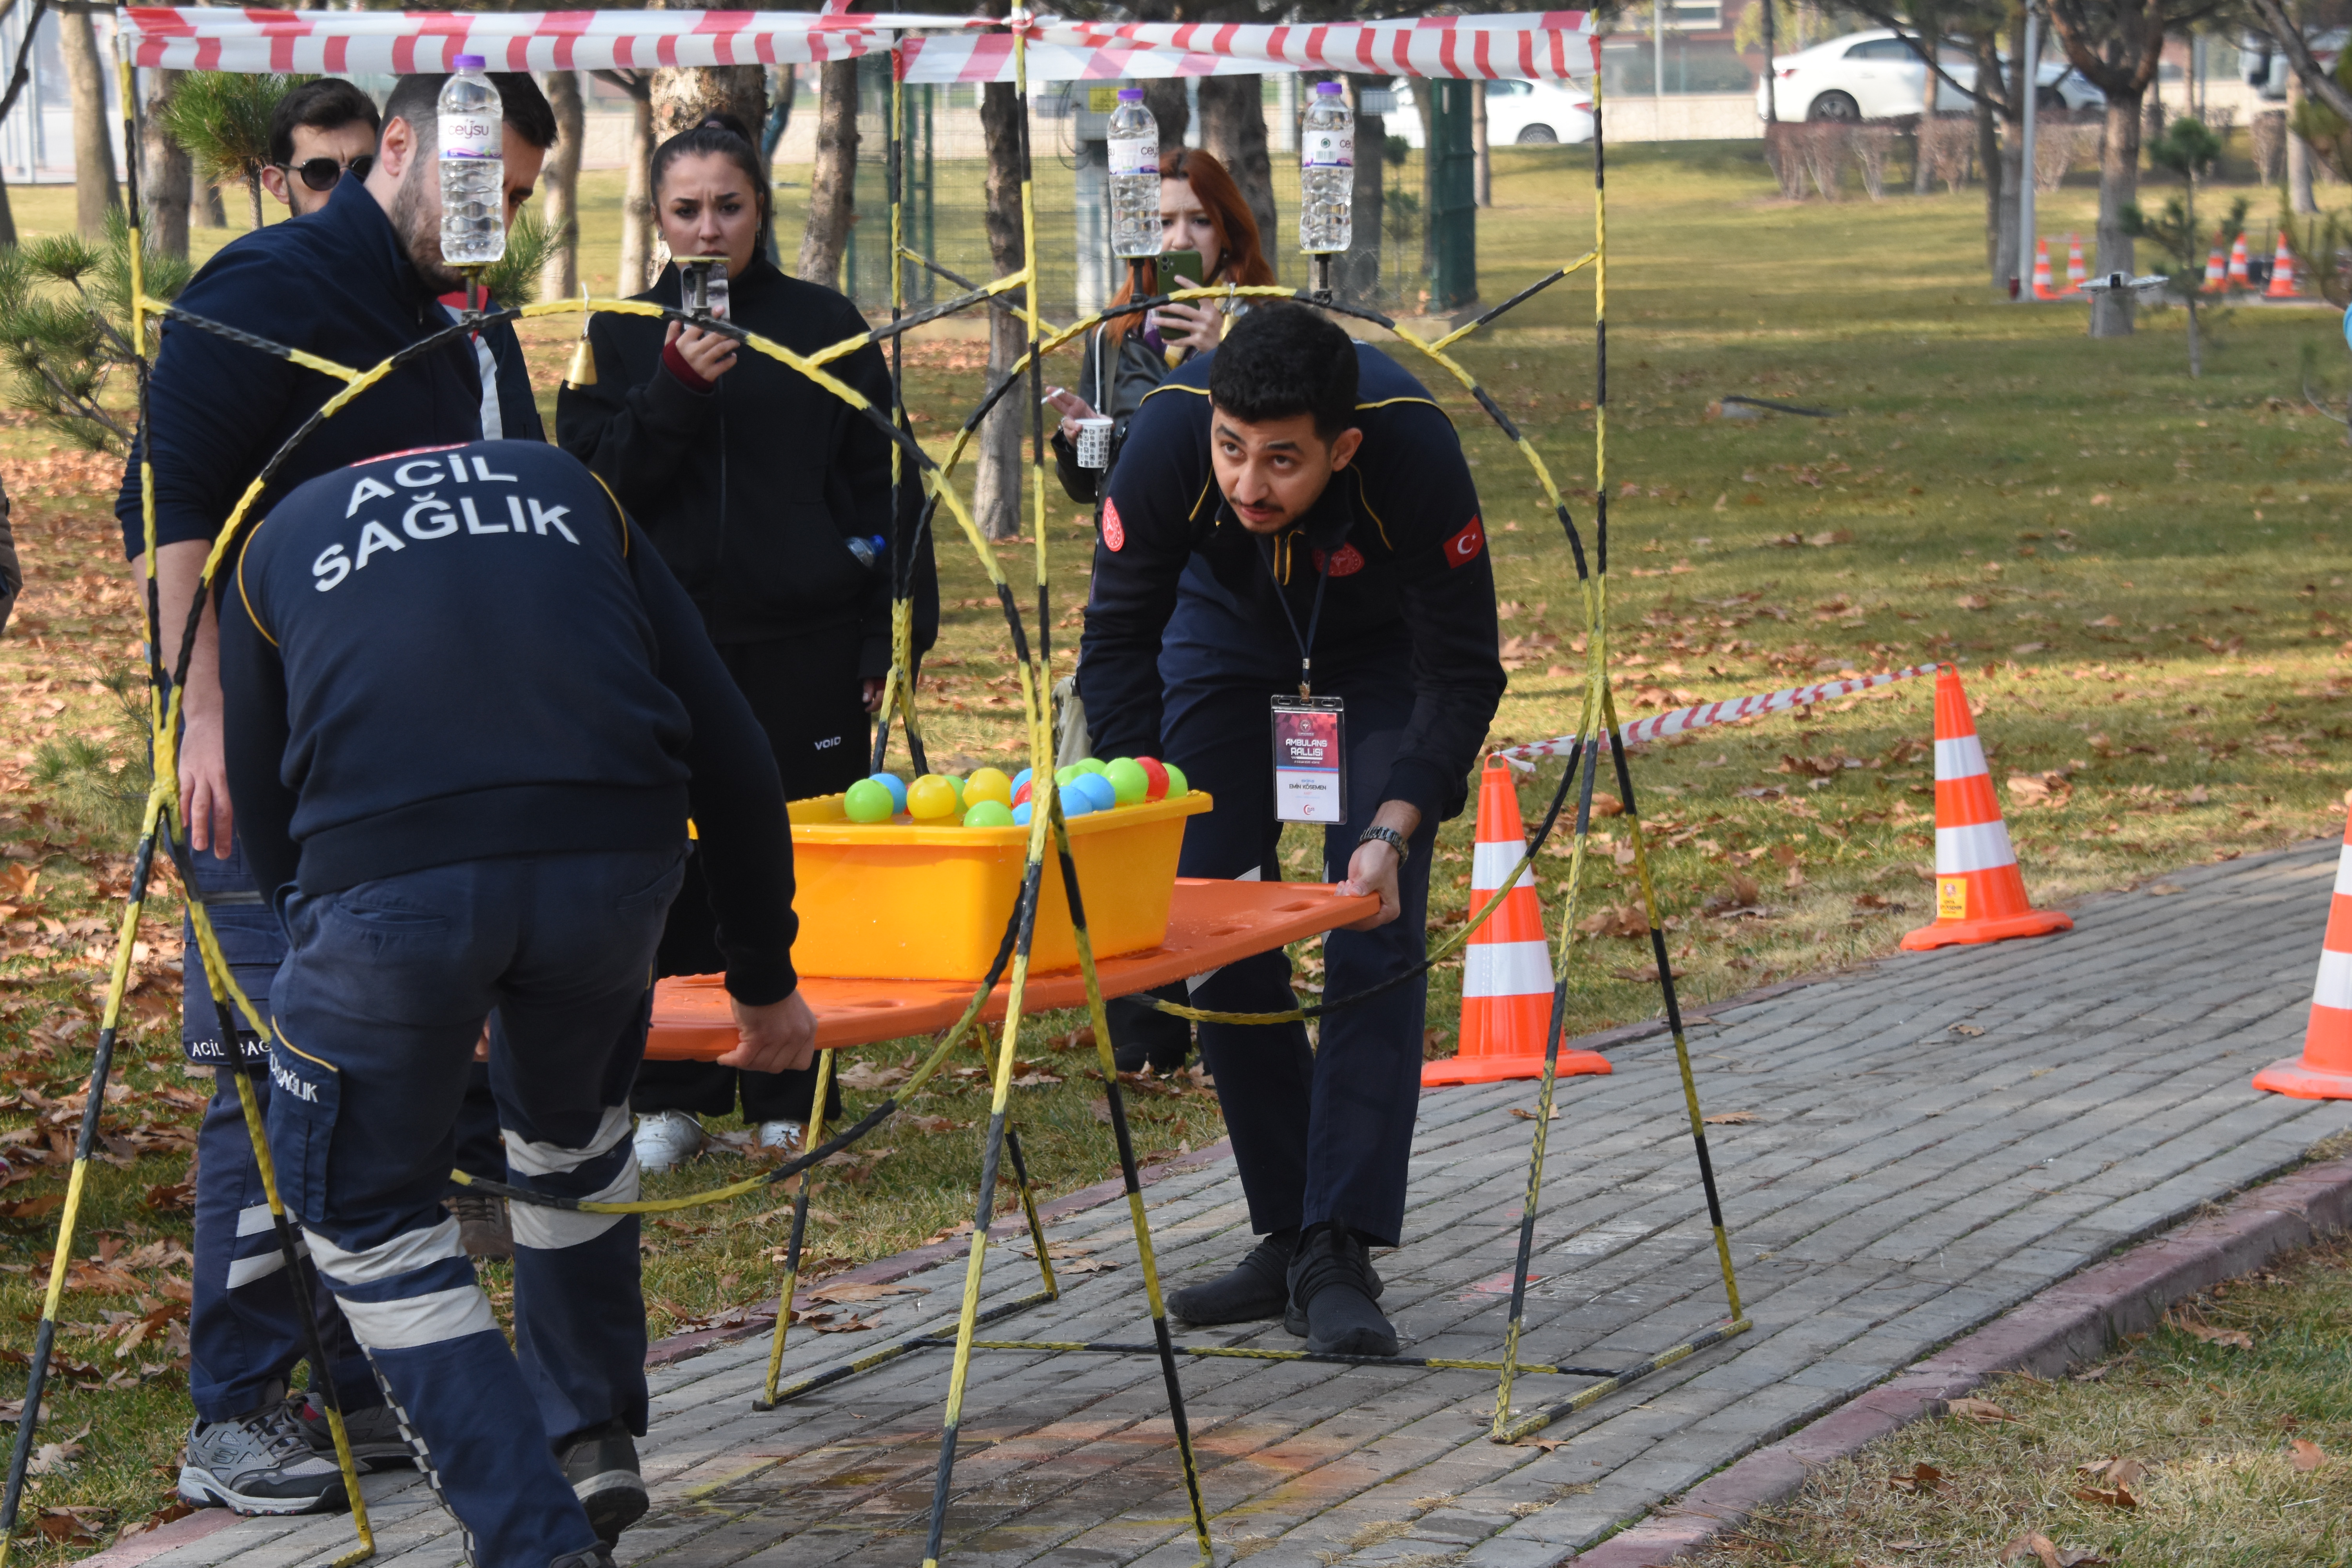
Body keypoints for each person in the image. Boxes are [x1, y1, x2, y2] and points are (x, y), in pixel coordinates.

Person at [218, 437, 815, 1568]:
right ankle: (588, 1434)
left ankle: (535, 1542)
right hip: (613, 861)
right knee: (572, 1141)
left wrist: (363, 967)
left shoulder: (274, 539)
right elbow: (732, 743)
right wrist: (763, 979)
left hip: (391, 888)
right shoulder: (567, 486)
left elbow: (262, 795)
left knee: (367, 1217)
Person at [114, 70, 555, 1515]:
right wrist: (204, 713)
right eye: (479, 188)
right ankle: (235, 1402)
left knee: (394, 1071)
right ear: (407, 147)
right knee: (264, 1078)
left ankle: (361, 1375)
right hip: (265, 763)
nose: (494, 224)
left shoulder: (473, 325)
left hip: (414, 772)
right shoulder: (271, 283)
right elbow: (175, 502)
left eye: (522, 203)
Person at [1074, 304, 1505, 1358]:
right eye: (1233, 451)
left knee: (1371, 919)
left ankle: (1341, 1238)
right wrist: (1147, 804)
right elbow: (1117, 642)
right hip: (1221, 650)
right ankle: (1289, 1230)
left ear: (1342, 448)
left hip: (1372, 663)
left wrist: (1398, 822)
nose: (1248, 486)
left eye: (1282, 461)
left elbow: (1463, 669)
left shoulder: (1411, 447)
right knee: (1212, 929)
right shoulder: (1173, 434)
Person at [557, 113, 927, 1174]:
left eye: (729, 206)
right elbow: (588, 489)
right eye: (687, 210)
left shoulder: (822, 322)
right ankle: (671, 1087)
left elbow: (884, 488)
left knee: (793, 864)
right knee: (665, 869)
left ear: (762, 207)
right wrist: (672, 391)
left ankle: (788, 1087)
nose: (709, 230)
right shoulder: (620, 330)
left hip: (804, 644)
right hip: (660, 646)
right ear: (657, 216)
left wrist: (882, 635)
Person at [1045, 147, 1274, 1074]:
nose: (1180, 241)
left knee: (1221, 817)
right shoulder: (1118, 338)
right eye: (1166, 222)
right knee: (1130, 792)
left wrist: (1225, 349)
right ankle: (1149, 1025)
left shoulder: (1265, 327)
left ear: (1229, 235)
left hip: (1235, 610)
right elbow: (1095, 487)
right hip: (1145, 599)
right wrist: (1076, 447)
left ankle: (1238, 995)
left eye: (1199, 222)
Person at [257, 78, 381, 218]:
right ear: (279, 185)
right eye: (321, 172)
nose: (346, 191)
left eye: (364, 169)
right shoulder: (261, 241)